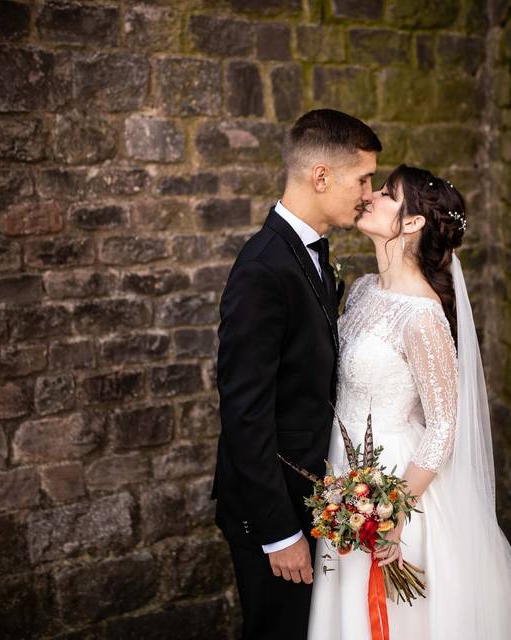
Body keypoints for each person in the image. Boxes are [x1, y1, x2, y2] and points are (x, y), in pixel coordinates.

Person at [308, 165, 511, 639]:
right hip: (346, 469)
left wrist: (394, 512)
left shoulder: (422, 316)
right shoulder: (361, 291)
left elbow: (443, 425)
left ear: (414, 222)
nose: (370, 197)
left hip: (397, 480)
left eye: (386, 193)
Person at [212, 109, 382, 640]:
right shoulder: (263, 269)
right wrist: (280, 531)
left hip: (313, 500)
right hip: (276, 510)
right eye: (363, 178)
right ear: (322, 176)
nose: (368, 193)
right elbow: (245, 411)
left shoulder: (309, 255)